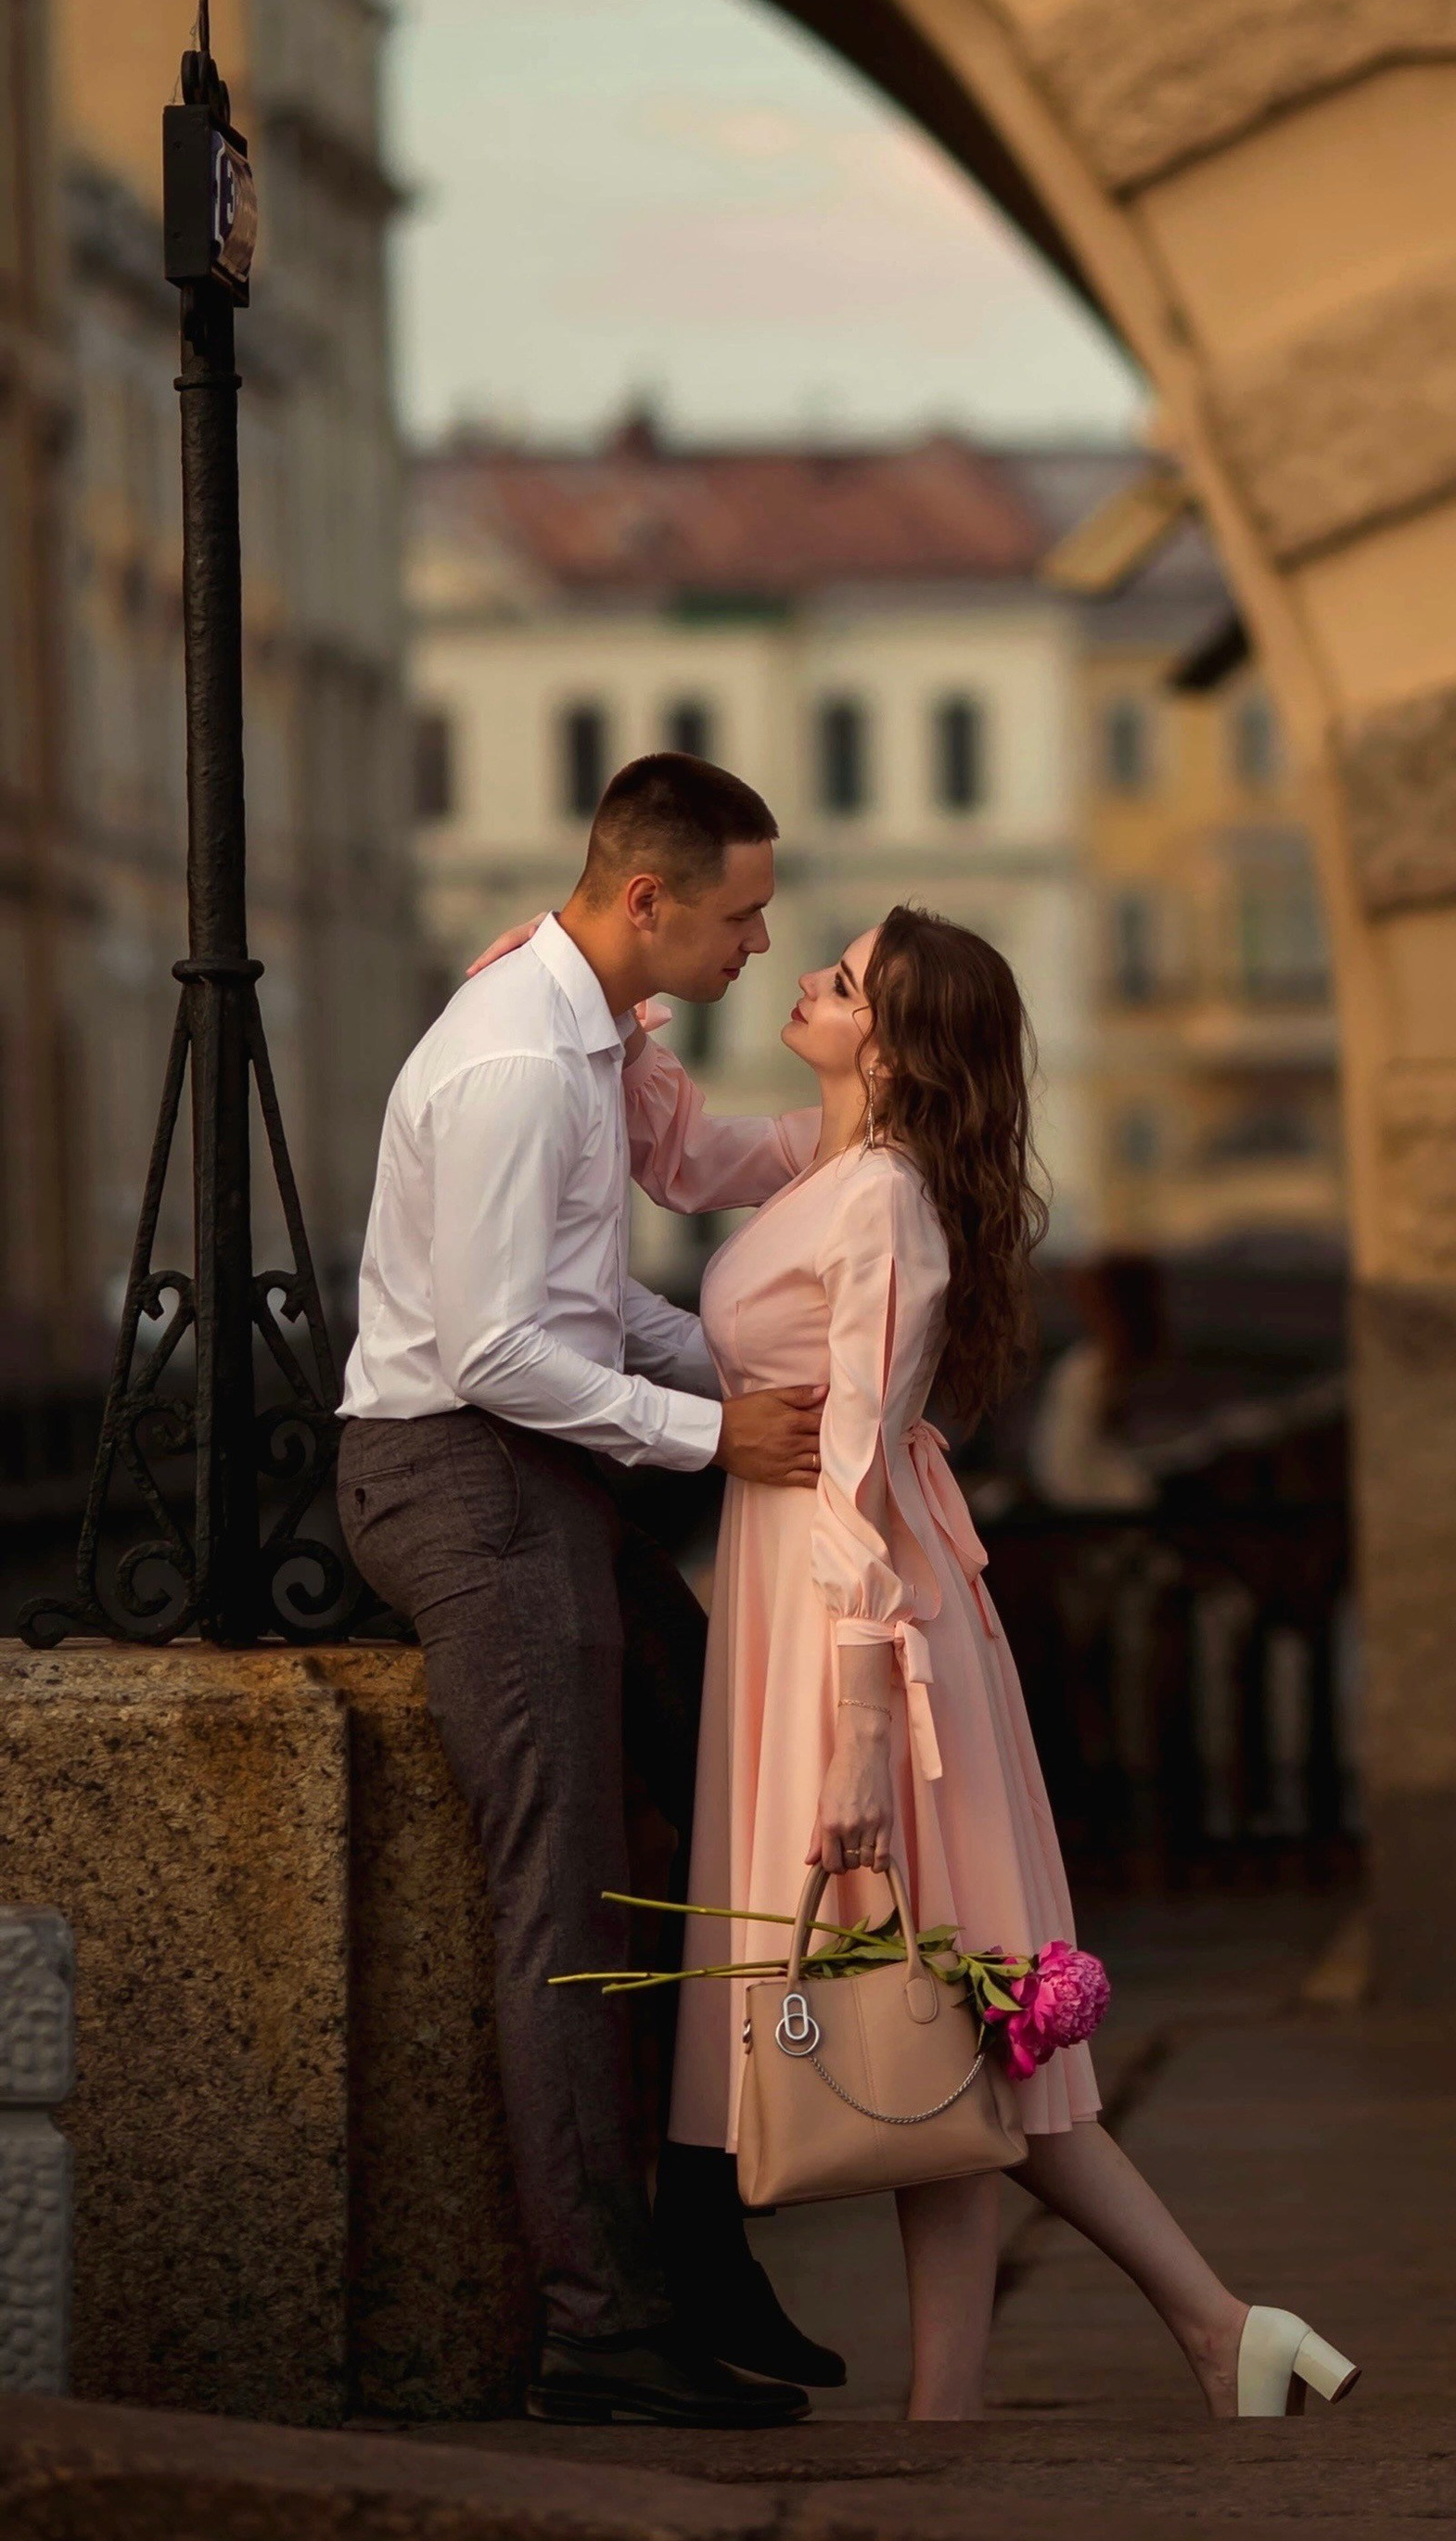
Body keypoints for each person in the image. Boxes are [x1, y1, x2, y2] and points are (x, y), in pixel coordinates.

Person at [614, 900, 1361, 2422]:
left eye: (845, 977)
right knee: (956, 2023)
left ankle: (1175, 2346)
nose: (812, 978)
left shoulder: (879, 1199)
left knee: (954, 2016)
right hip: (826, 1614)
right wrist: (609, 1005)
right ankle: (1195, 2343)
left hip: (862, 1631)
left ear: (893, 1044)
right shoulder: (823, 1164)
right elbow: (678, 1156)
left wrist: (859, 1724)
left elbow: (857, 1474)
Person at [337, 752, 847, 2431]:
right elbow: (493, 1350)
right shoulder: (509, 1065)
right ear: (647, 899)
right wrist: (711, 1433)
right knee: (564, 1898)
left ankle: (699, 2249)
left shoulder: (588, 1040)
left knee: (709, 1792)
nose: (760, 943)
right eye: (741, 910)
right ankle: (598, 2327)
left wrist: (725, 1368)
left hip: (531, 1467)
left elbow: (586, 1299)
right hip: (457, 1476)